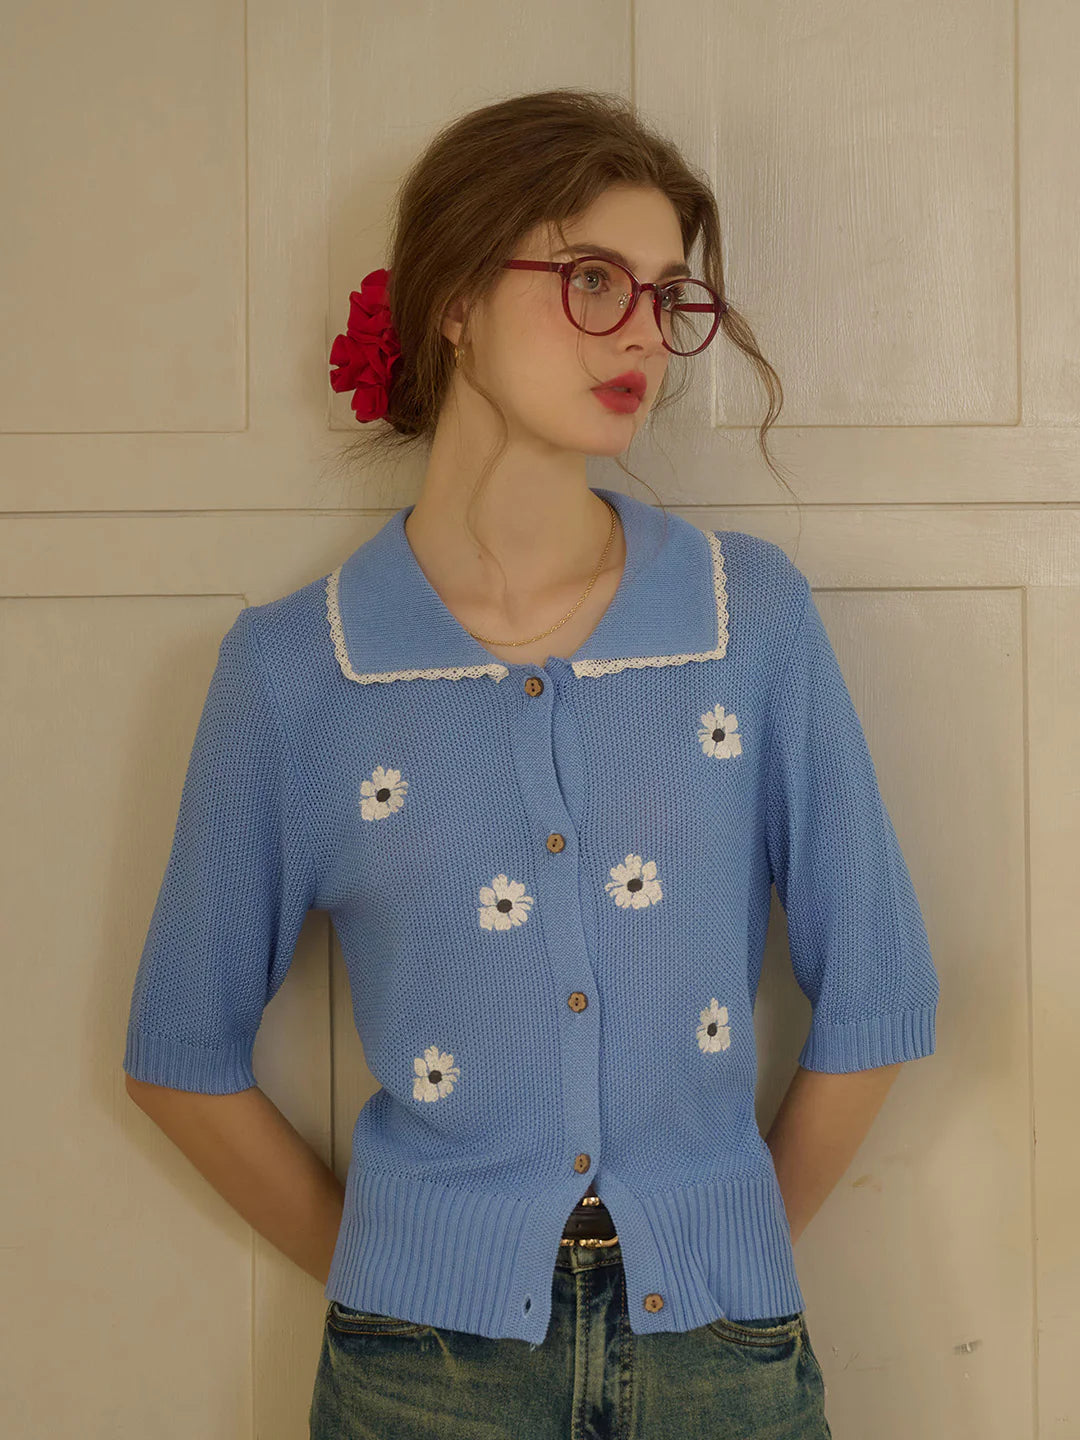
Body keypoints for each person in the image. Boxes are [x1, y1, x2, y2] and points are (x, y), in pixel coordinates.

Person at [123, 89, 938, 1439]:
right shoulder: (298, 672)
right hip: (417, 1376)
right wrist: (406, 1275)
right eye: (592, 279)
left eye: (664, 295)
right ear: (454, 299)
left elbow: (881, 989)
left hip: (724, 1355)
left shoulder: (747, 621)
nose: (643, 334)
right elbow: (178, 1052)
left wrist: (723, 1251)